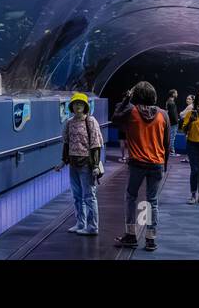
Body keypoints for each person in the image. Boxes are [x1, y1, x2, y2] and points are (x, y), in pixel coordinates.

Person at [111, 81, 170, 252]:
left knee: (131, 197)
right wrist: (164, 164)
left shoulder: (131, 111)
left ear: (135, 95)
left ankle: (131, 235)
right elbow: (166, 143)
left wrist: (126, 99)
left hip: (137, 163)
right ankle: (150, 238)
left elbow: (115, 117)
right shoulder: (163, 114)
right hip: (156, 164)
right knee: (152, 201)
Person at [56, 91, 104, 236]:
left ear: (85, 106)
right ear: (71, 106)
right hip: (73, 164)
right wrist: (63, 162)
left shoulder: (90, 121)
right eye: (75, 104)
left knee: (89, 196)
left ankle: (92, 226)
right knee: (77, 196)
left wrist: (95, 165)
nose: (78, 106)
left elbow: (96, 144)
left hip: (86, 164)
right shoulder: (69, 123)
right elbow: (66, 143)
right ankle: (80, 223)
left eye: (80, 104)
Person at [164, 89, 179, 156]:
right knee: (172, 137)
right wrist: (177, 121)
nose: (177, 94)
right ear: (173, 94)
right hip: (173, 123)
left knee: (170, 137)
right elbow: (173, 114)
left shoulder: (168, 101)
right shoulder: (172, 103)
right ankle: (172, 152)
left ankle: (169, 151)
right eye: (176, 93)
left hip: (170, 122)